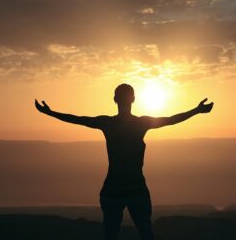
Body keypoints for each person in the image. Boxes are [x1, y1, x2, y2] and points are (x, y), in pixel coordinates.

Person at [35, 83, 214, 240]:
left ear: (115, 99)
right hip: (135, 188)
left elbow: (77, 119)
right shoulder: (141, 123)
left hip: (114, 188)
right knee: (145, 233)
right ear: (133, 99)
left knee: (112, 234)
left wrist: (49, 113)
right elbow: (171, 120)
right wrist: (196, 111)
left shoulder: (108, 123)